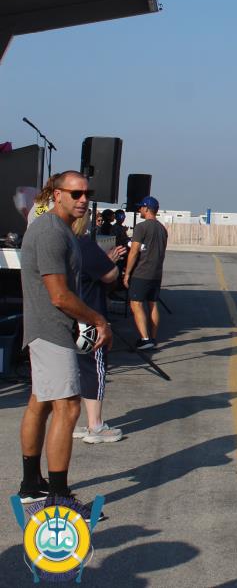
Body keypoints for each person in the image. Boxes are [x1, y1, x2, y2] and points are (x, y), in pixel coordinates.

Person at [18, 171, 112, 503]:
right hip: (52, 331)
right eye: (75, 194)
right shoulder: (50, 233)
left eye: (87, 193)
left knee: (40, 403)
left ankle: (31, 484)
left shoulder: (63, 230)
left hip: (50, 330)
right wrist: (98, 319)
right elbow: (59, 296)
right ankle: (58, 495)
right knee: (69, 407)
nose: (83, 199)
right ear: (57, 195)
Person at [72, 210, 127, 443]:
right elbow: (110, 274)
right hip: (90, 316)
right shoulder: (84, 244)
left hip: (68, 316)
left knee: (76, 369)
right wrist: (110, 260)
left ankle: (77, 422)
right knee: (95, 367)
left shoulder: (62, 244)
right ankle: (95, 425)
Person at [124, 196, 168, 350]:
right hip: (156, 273)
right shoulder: (162, 229)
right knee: (153, 304)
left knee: (136, 303)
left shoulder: (141, 227)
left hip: (142, 272)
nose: (139, 210)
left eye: (141, 207)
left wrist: (127, 273)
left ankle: (145, 339)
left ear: (147, 209)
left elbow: (134, 251)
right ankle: (153, 338)